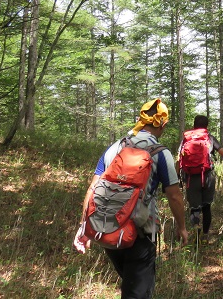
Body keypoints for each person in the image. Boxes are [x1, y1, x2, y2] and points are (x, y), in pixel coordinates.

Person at [73, 98, 188, 299]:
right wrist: (182, 227)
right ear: (163, 123)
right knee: (137, 292)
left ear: (140, 120)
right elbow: (174, 196)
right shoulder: (161, 153)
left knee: (131, 284)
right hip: (141, 233)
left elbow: (93, 187)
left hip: (107, 230)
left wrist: (85, 227)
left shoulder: (114, 148)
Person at [177, 114, 223, 241]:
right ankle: (205, 235)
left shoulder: (186, 139)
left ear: (194, 125)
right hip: (207, 177)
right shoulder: (209, 138)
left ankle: (196, 229)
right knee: (206, 207)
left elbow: (179, 159)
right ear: (206, 126)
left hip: (190, 178)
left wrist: (177, 176)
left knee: (194, 208)